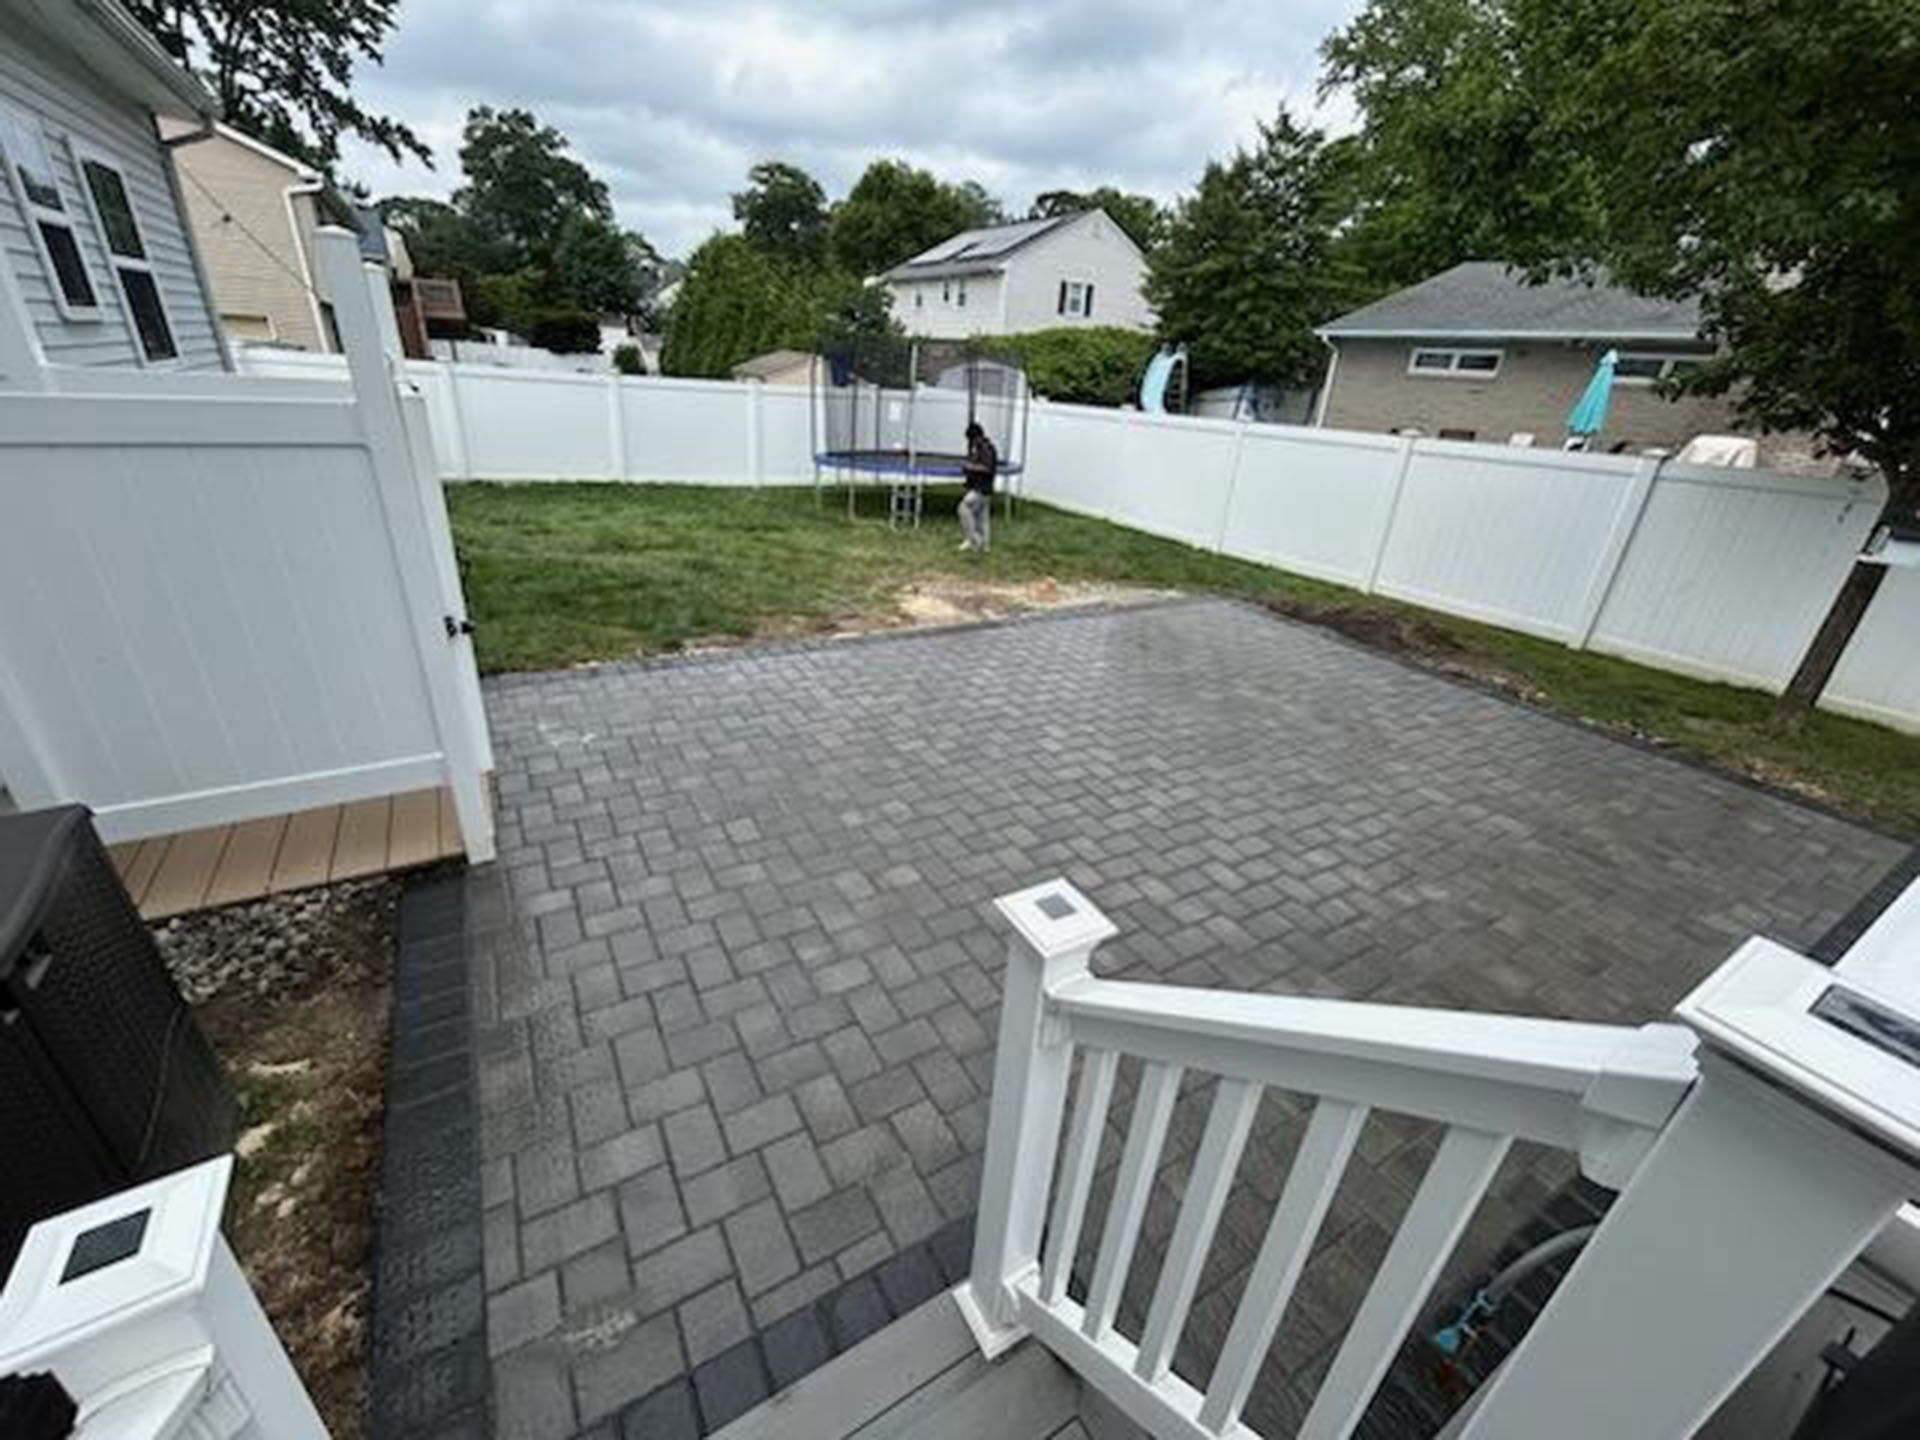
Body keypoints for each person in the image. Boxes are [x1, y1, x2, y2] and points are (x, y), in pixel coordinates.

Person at [958, 420, 997, 553]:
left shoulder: (985, 448)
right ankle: (984, 546)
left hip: (981, 489)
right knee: (982, 518)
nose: (971, 443)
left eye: (971, 440)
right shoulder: (982, 447)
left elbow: (987, 468)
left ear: (975, 437)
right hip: (982, 488)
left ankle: (973, 539)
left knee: (964, 508)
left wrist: (970, 467)